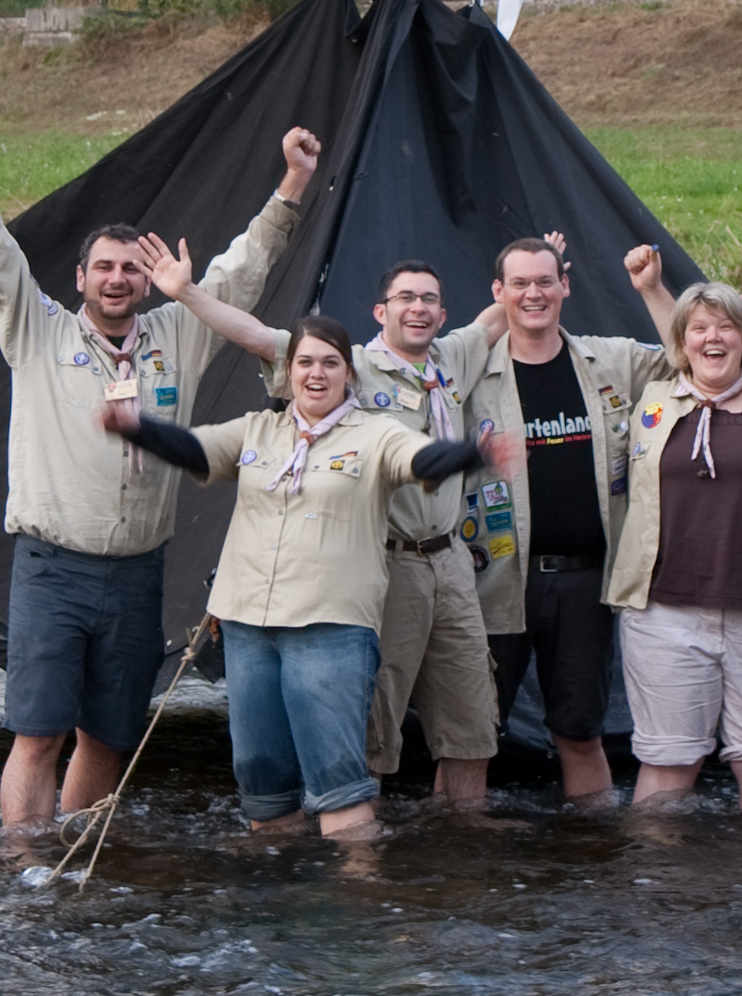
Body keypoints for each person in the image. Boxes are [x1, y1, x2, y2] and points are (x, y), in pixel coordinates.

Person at [0, 97, 318, 832]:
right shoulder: (37, 329)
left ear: (147, 280)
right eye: (103, 268)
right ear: (80, 277)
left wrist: (293, 181)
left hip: (138, 572)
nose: (117, 280)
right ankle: (23, 864)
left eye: (130, 270)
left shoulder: (177, 332)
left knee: (109, 735)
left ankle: (77, 851)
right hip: (52, 568)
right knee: (39, 732)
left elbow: (243, 270)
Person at [104, 288, 512, 839]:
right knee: (262, 781)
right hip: (248, 625)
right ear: (289, 372)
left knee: (339, 781)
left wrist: (474, 453)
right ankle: (279, 884)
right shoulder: (257, 429)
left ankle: (358, 888)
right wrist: (136, 427)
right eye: (305, 362)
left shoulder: (376, 434)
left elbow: (422, 460)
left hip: (330, 628)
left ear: (349, 374)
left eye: (330, 363)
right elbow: (195, 449)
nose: (316, 374)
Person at [194, 259, 505, 808]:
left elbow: (500, 315)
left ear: (443, 313)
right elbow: (257, 337)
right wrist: (184, 292)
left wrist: (536, 269)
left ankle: (466, 843)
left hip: (451, 560)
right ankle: (357, 844)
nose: (418, 308)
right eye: (405, 298)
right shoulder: (346, 365)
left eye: (429, 299)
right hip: (388, 562)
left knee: (471, 720)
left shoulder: (453, 355)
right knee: (372, 726)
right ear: (381, 311)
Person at [459, 237, 674, 804]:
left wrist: (652, 289)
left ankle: (593, 848)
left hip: (584, 583)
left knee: (580, 733)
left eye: (545, 282)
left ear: (566, 286)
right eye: (520, 284)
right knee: (469, 739)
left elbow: (687, 356)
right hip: (494, 580)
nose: (534, 294)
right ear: (498, 292)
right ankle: (461, 854)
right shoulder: (470, 373)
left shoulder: (610, 361)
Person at [606, 282, 742, 813]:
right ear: (680, 342)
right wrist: (649, 287)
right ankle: (658, 868)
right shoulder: (650, 401)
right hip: (663, 614)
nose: (712, 338)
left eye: (726, 328)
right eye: (698, 328)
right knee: (668, 763)